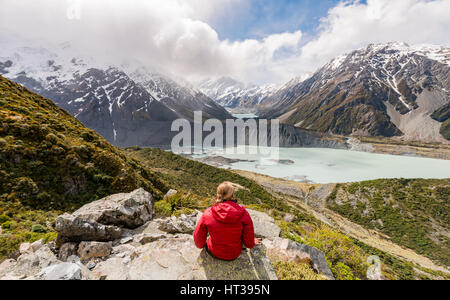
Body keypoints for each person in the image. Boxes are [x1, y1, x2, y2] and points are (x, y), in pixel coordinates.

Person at [193, 181, 262, 261]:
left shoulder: (208, 213)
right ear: (232, 195)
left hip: (214, 252)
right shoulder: (243, 214)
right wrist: (251, 242)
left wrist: (202, 245)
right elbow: (249, 243)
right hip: (234, 253)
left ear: (218, 195)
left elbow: (198, 239)